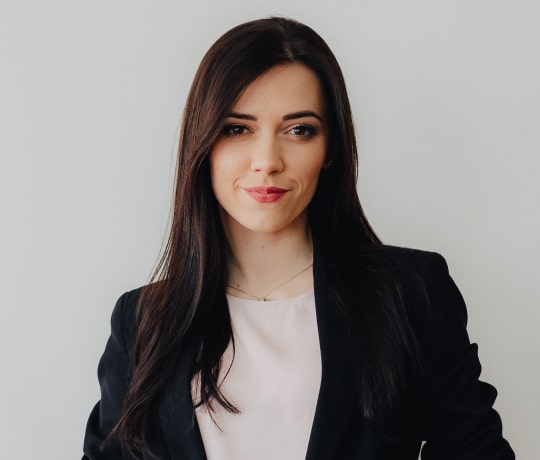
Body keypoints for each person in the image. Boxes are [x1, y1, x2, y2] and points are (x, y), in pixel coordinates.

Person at [82, 17, 514, 460]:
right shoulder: (143, 322)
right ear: (203, 144)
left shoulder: (410, 293)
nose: (267, 160)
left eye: (299, 130)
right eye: (237, 128)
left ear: (330, 150)